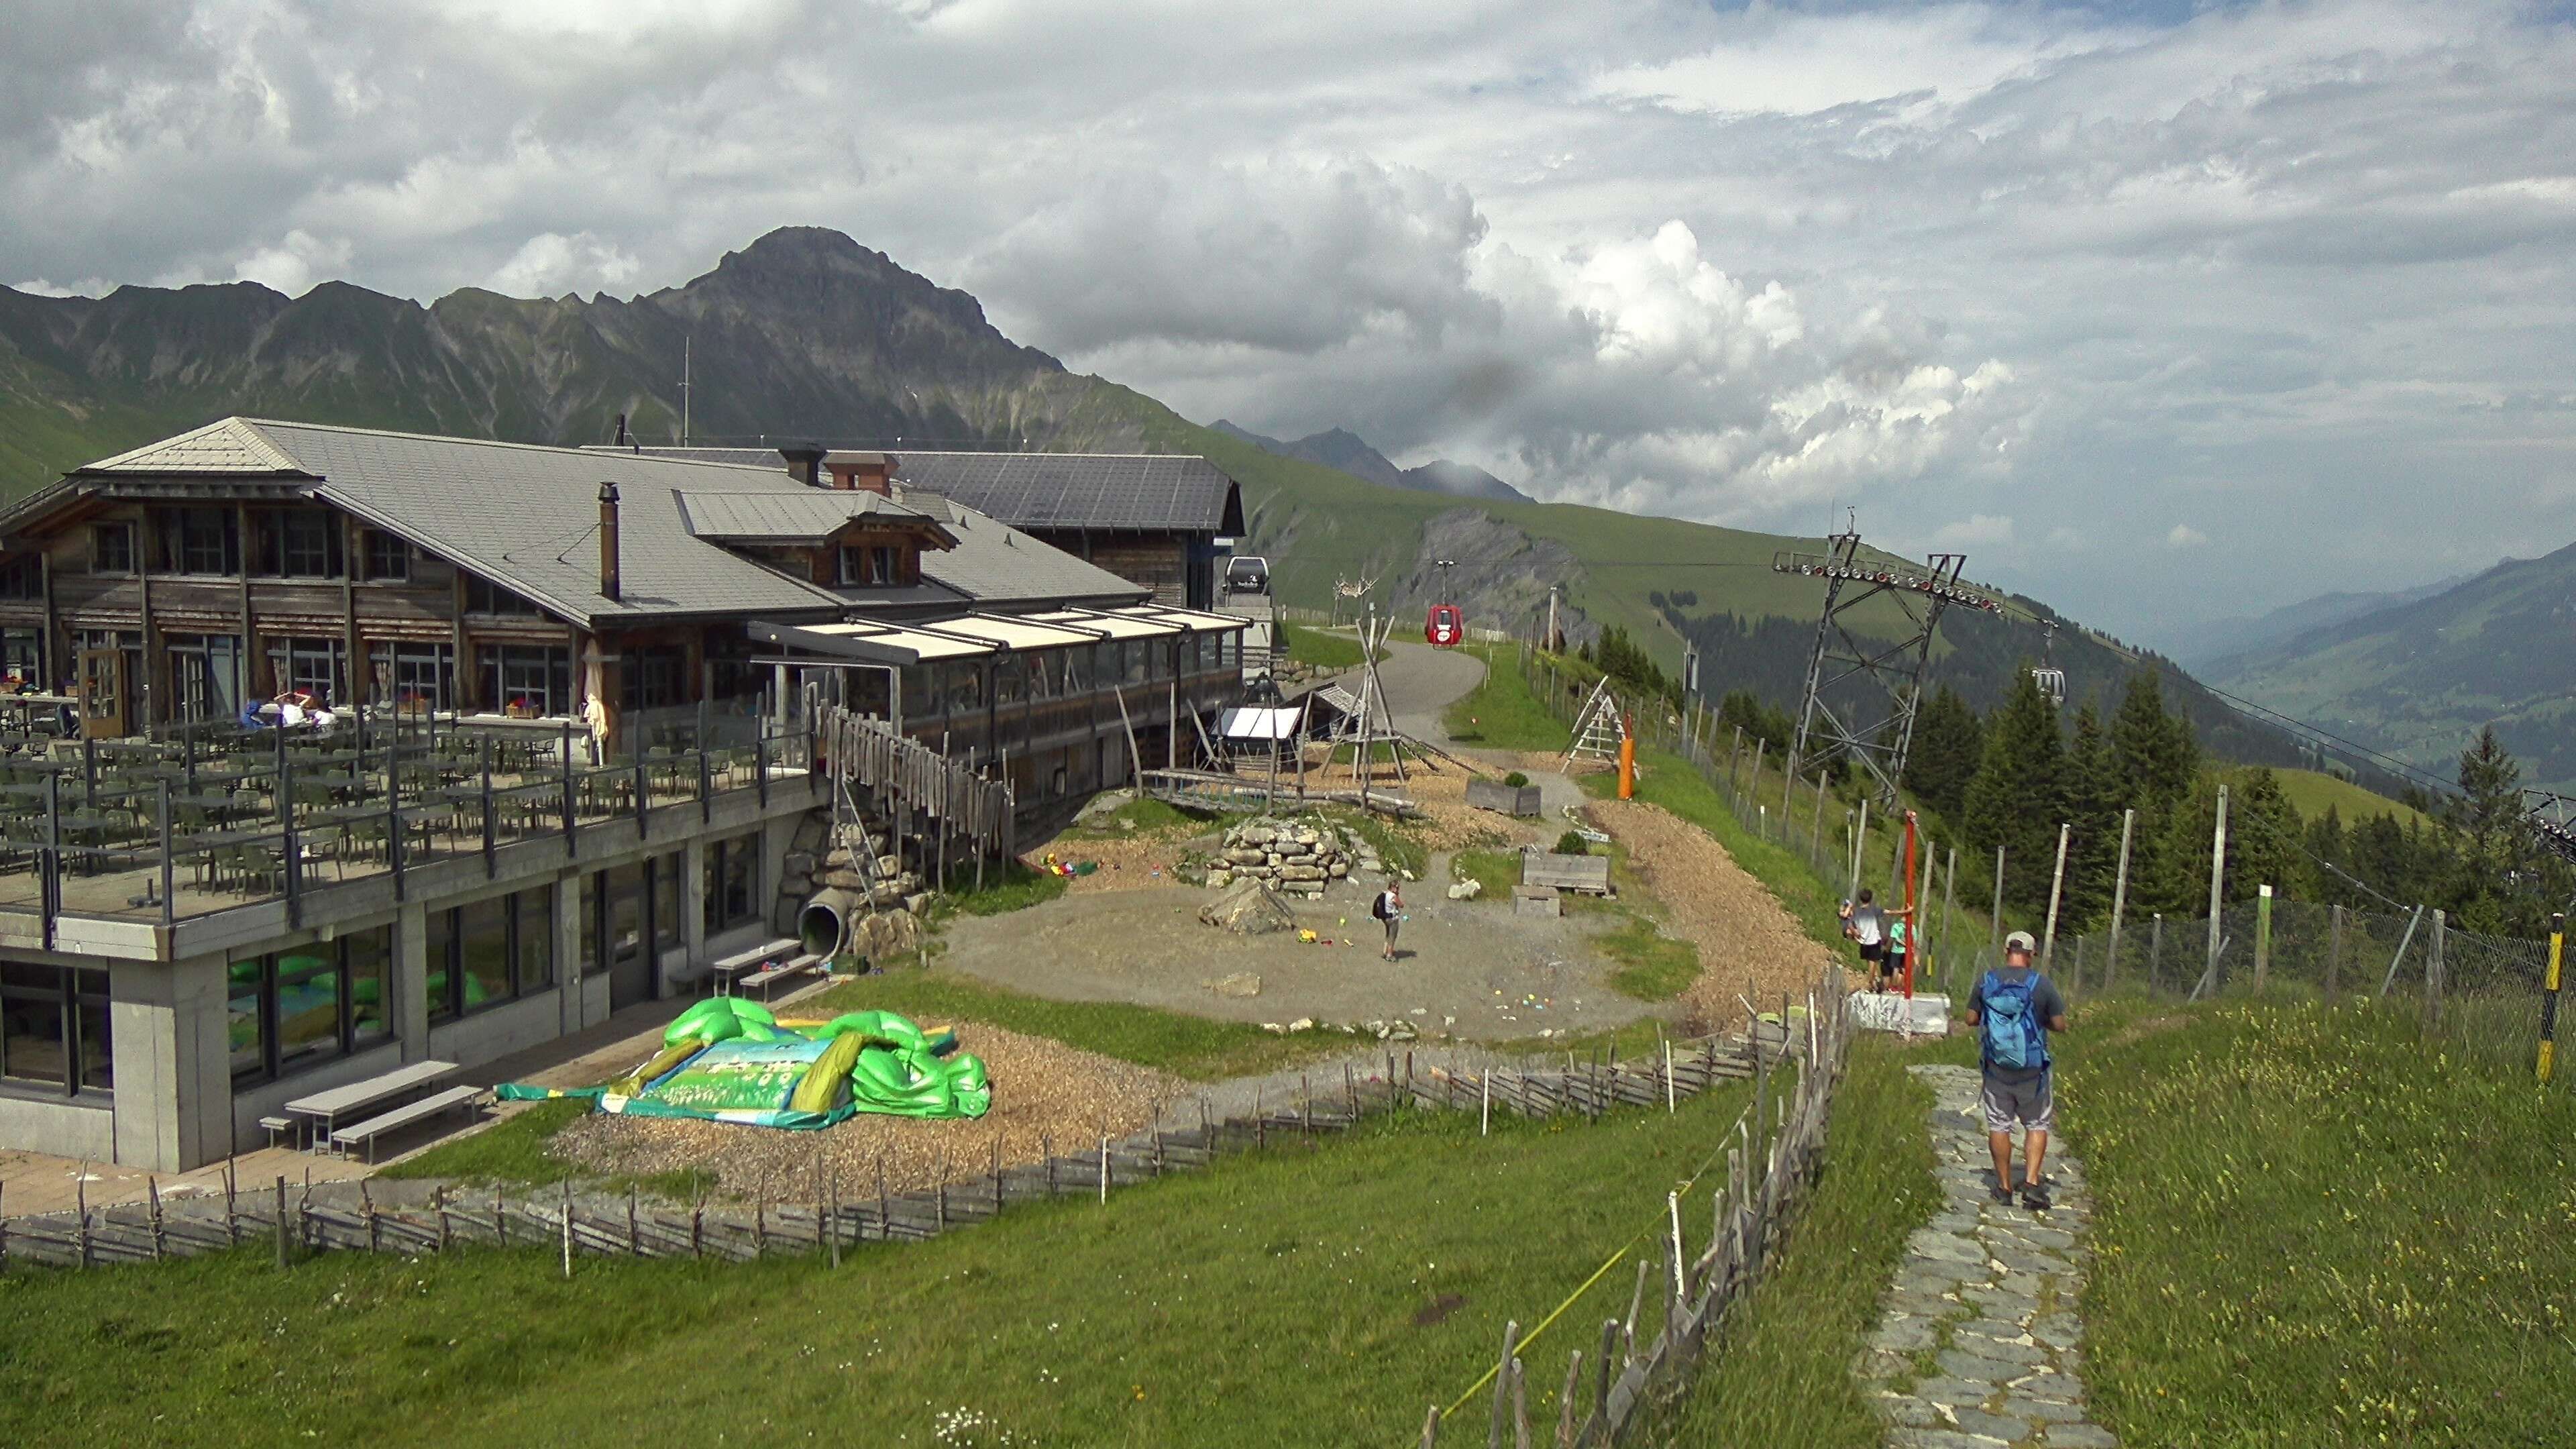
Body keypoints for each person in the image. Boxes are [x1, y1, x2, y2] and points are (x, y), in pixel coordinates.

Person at [1960, 930, 2071, 1210]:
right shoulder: (2041, 984)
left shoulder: (1987, 980)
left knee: (1999, 1125)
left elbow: (1971, 1019)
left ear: (2006, 950)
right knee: (2037, 1124)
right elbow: (2060, 1025)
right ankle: (2032, 1184)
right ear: (2032, 955)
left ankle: (2004, 1187)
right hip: (2033, 1071)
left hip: (1997, 1069)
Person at [1373, 881, 1403, 961]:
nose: (1398, 889)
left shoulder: (1385, 894)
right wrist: (1397, 896)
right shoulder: (1393, 896)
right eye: (1397, 888)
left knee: (1388, 934)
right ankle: (1389, 955)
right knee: (1392, 936)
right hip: (1392, 918)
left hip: (1385, 917)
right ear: (1394, 888)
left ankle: (1384, 951)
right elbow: (1401, 905)